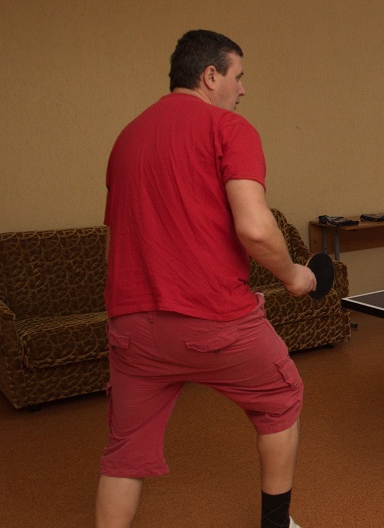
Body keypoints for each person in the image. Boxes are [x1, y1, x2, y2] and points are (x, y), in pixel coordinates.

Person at [96, 30, 314, 528]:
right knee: (282, 399)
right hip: (215, 321)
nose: (243, 89)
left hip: (132, 327)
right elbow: (255, 229)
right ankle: (276, 525)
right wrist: (293, 276)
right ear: (210, 75)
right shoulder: (228, 128)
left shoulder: (127, 138)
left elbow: (112, 242)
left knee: (124, 453)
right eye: (239, 77)